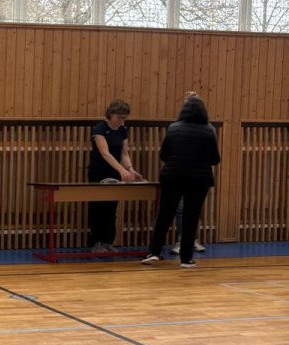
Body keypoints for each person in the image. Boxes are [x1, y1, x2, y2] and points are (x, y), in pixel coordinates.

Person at [142, 94, 220, 267]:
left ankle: (154, 253)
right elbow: (215, 159)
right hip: (198, 179)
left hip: (172, 176)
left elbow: (164, 154)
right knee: (191, 217)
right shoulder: (208, 129)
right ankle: (186, 259)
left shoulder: (173, 128)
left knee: (164, 214)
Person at [87, 99, 141, 251]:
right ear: (111, 114)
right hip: (99, 172)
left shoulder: (122, 130)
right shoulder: (99, 129)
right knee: (98, 207)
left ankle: (107, 241)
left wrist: (130, 169)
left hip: (114, 173)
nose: (121, 121)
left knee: (111, 208)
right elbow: (105, 153)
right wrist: (121, 170)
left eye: (124, 118)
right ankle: (96, 242)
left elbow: (124, 153)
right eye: (119, 117)